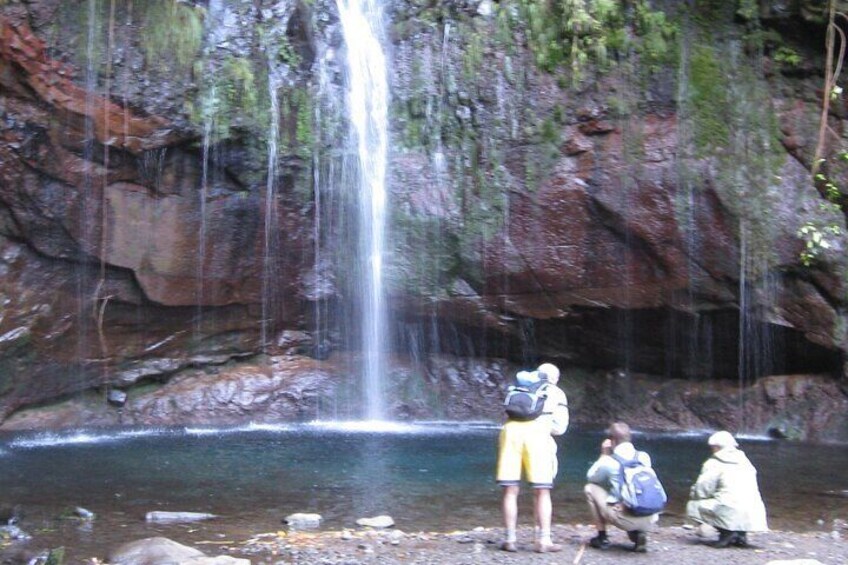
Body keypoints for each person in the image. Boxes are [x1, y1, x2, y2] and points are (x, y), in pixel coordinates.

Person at [495, 362, 569, 553]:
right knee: (542, 490)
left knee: (510, 489)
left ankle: (510, 539)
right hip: (538, 436)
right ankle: (543, 540)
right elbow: (560, 428)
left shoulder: (519, 385)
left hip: (510, 432)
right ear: (554, 378)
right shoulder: (556, 392)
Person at [584, 422, 658, 553]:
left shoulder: (609, 461)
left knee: (590, 488)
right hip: (651, 517)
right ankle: (640, 533)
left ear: (611, 440)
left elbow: (591, 477)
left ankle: (602, 537)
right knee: (638, 493)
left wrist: (603, 455)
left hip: (624, 519)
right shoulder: (644, 457)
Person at [686, 430, 768, 548]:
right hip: (754, 510)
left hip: (728, 509)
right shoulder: (745, 461)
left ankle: (726, 533)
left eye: (712, 447)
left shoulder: (713, 463)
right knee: (736, 502)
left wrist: (694, 493)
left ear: (716, 447)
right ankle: (740, 534)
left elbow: (703, 489)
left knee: (694, 504)